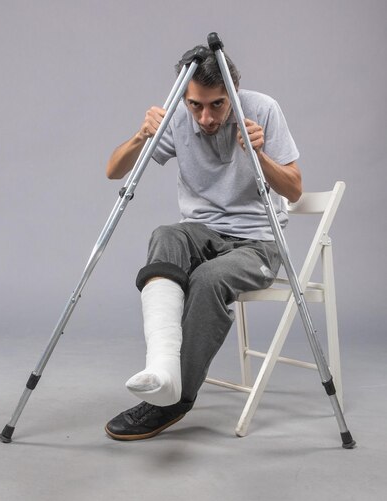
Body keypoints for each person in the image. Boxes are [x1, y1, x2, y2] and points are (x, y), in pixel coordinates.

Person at [104, 46, 302, 441]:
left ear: (234, 91)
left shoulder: (262, 110)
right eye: (196, 105)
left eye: (217, 105)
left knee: (209, 279)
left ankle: (172, 399)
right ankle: (163, 370)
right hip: (202, 232)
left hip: (258, 242)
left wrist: (260, 155)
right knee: (165, 234)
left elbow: (294, 190)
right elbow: (113, 171)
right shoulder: (178, 115)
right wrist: (141, 134)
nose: (206, 118)